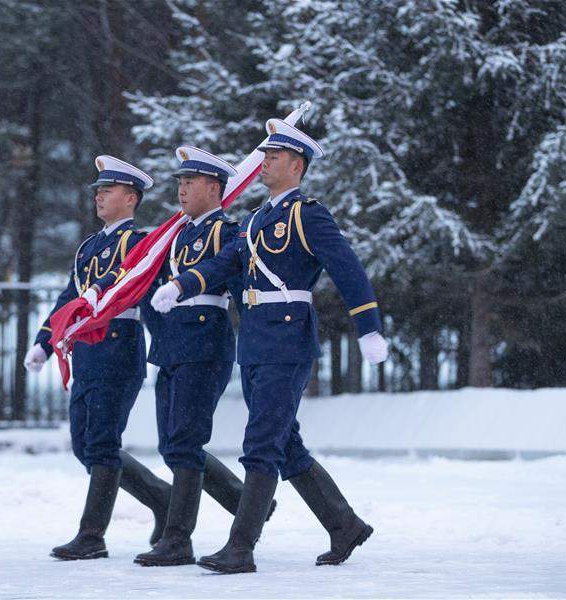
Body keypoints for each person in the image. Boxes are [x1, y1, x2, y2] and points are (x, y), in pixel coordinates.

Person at [151, 120, 389, 573]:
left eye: (273, 157)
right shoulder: (257, 219)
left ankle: (241, 547)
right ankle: (344, 524)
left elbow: (348, 269)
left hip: (288, 337)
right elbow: (225, 263)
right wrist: (183, 283)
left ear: (296, 165)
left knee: (261, 442)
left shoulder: (308, 214)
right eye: (263, 156)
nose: (263, 163)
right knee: (285, 443)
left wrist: (369, 328)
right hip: (257, 342)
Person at [23, 155, 251, 561]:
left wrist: (163, 335)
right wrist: (45, 339)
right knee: (94, 445)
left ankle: (105, 534)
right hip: (94, 350)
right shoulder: (91, 247)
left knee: (146, 444)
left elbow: (149, 293)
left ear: (130, 198)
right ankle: (183, 501)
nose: (99, 197)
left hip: (124, 347)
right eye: (97, 191)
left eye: (107, 191)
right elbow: (72, 297)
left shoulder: (145, 242)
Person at [133, 146, 275, 567]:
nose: (181, 189)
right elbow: (148, 291)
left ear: (214, 188)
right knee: (172, 444)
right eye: (179, 182)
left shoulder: (226, 235)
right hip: (173, 347)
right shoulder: (173, 236)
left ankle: (178, 539)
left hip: (204, 345)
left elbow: (239, 293)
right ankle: (246, 501)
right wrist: (161, 334)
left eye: (190, 182)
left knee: (186, 441)